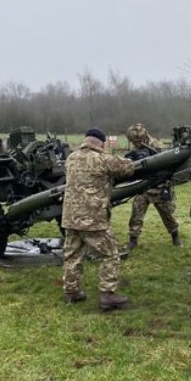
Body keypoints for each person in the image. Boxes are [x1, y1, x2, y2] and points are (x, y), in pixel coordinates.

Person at [60, 128, 135, 311]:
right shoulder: (102, 158)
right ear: (101, 143)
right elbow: (128, 168)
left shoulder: (71, 158)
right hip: (93, 219)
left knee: (72, 255)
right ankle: (107, 295)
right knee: (110, 254)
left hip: (71, 217)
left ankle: (72, 292)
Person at [124, 123, 182, 250]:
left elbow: (167, 164)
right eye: (134, 142)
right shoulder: (135, 151)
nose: (136, 144)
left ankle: (175, 236)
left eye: (138, 141)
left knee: (167, 214)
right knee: (136, 214)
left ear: (144, 137)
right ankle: (133, 239)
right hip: (143, 187)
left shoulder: (156, 146)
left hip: (159, 186)